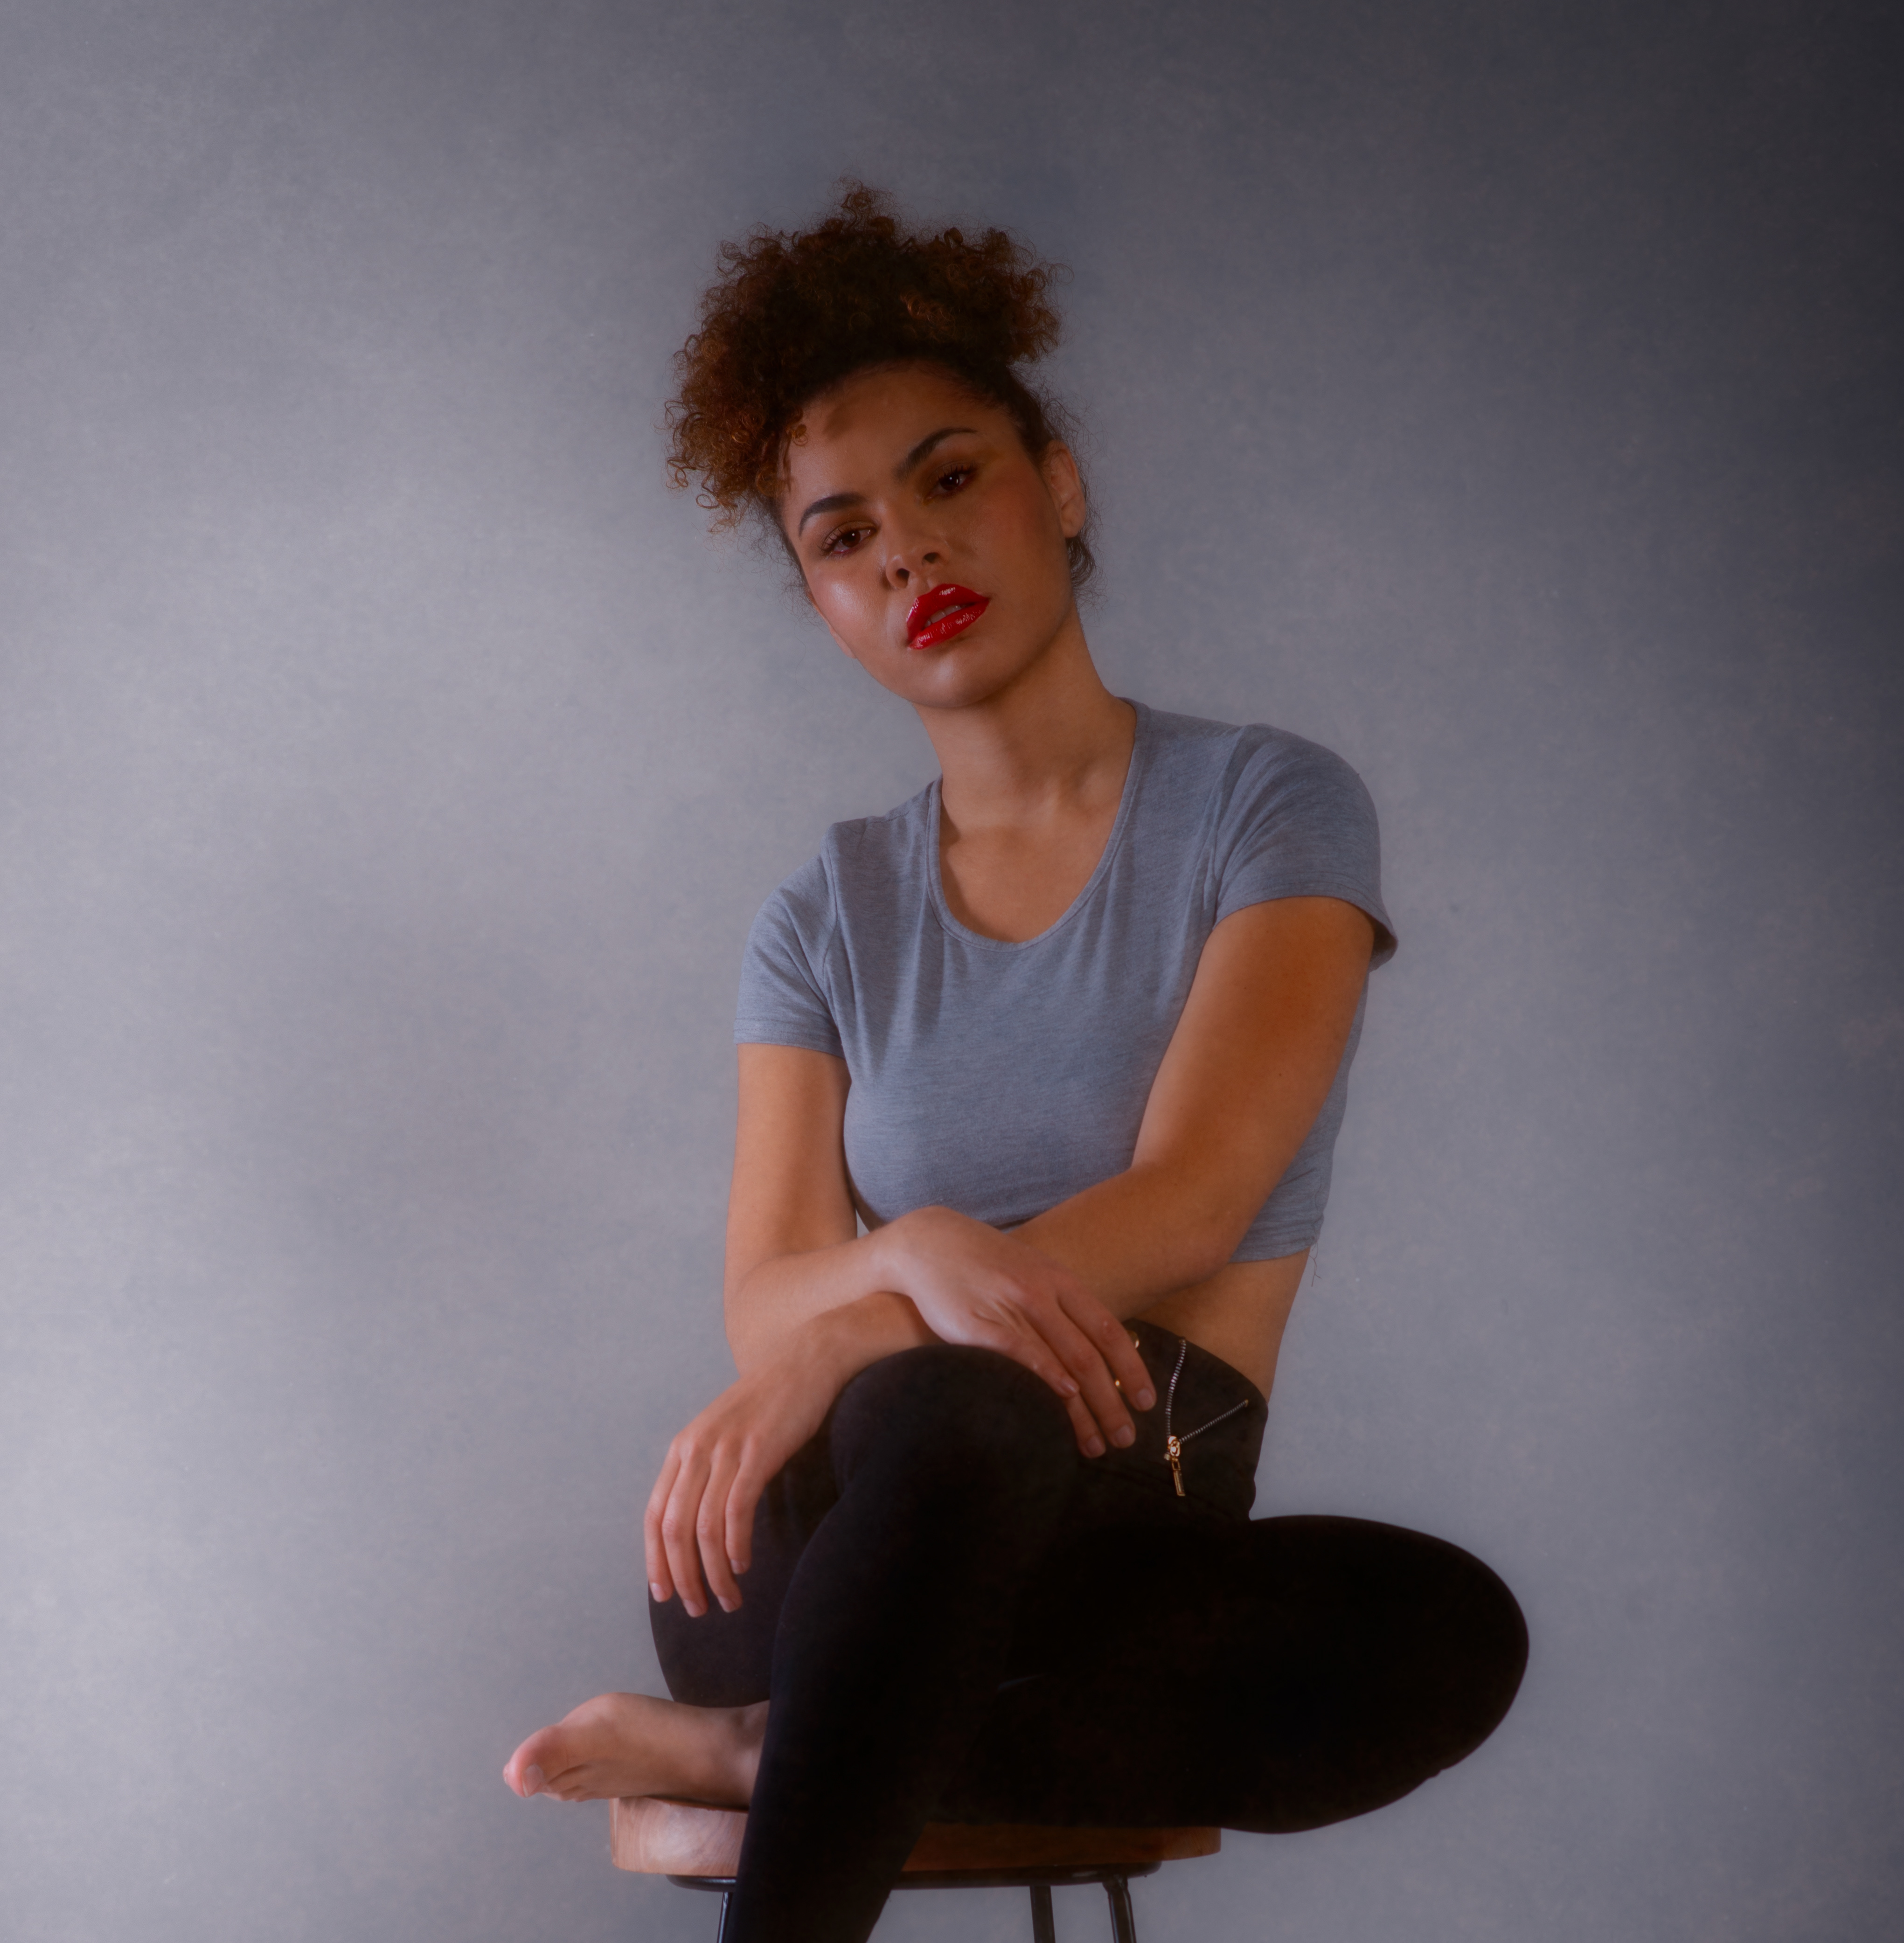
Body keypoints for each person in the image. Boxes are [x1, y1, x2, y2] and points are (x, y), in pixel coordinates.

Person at [503, 187, 1525, 1942]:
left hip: (1133, 1543)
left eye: (950, 479)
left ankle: (773, 1747)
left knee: (1448, 1637)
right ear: (821, 597)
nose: (906, 553)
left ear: (1059, 485)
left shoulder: (1269, 807)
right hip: (839, 1538)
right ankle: (792, 1733)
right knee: (956, 1412)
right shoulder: (825, 912)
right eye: (844, 536)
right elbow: (765, 1306)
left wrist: (873, 1319)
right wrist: (911, 1255)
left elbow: (1196, 1199)